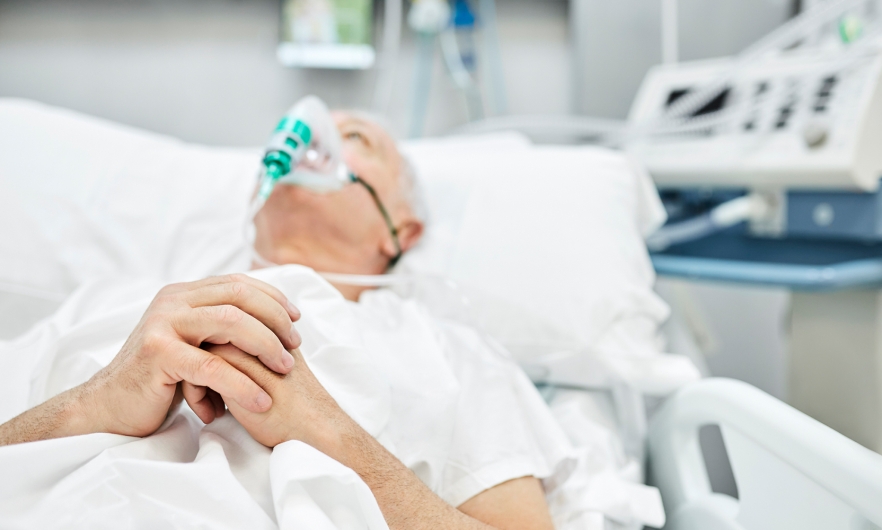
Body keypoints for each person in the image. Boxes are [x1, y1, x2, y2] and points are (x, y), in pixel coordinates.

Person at [0, 113, 563, 529]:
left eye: (356, 138)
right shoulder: (108, 307)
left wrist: (327, 434)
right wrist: (91, 405)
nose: (311, 135)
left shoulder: (449, 351)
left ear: (403, 230)